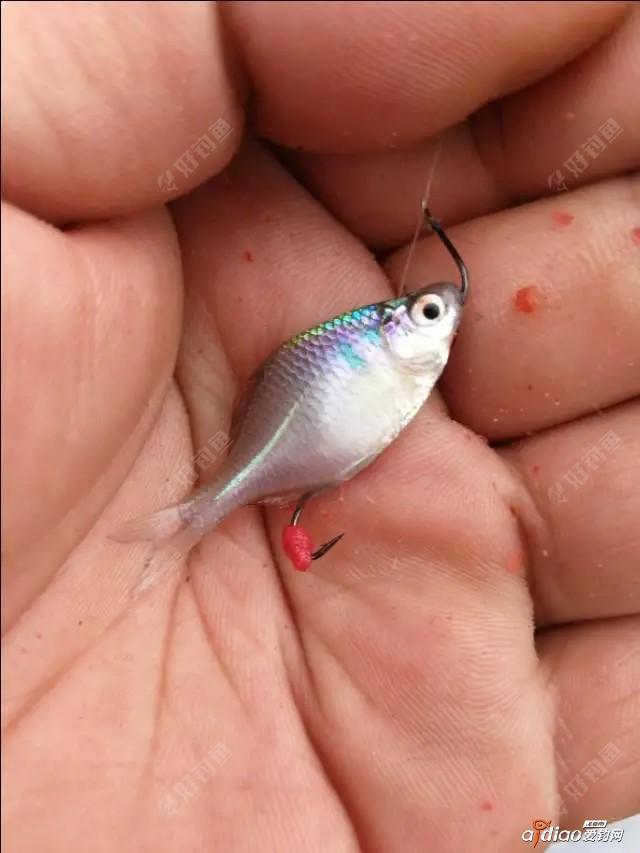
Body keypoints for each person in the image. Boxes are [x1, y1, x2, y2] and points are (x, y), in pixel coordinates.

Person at [2, 2, 639, 850]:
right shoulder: (382, 349)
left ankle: (198, 514)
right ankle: (196, 515)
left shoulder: (393, 351)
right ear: (397, 323)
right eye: (428, 308)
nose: (443, 314)